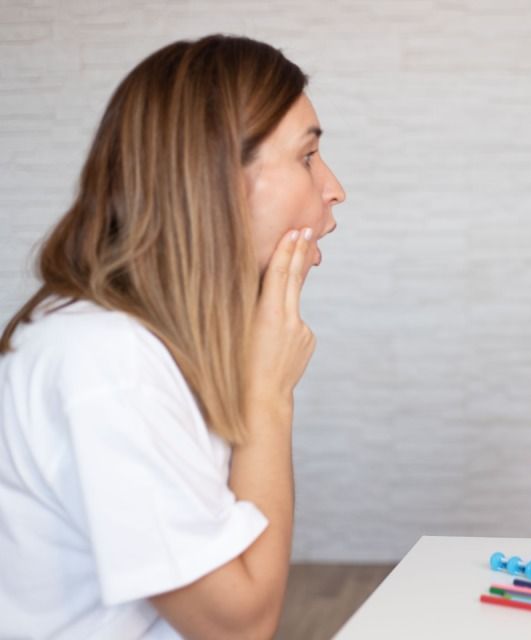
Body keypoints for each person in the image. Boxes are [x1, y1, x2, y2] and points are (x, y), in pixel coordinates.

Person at [0, 34, 345, 638]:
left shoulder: (152, 345)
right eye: (307, 156)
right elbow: (239, 628)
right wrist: (269, 396)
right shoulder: (104, 362)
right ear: (215, 176)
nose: (333, 187)